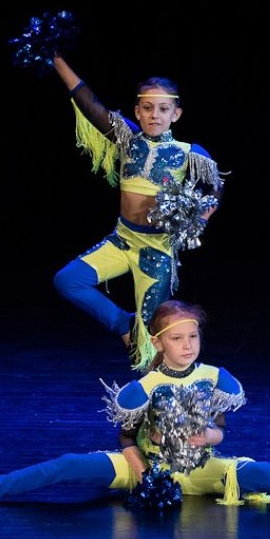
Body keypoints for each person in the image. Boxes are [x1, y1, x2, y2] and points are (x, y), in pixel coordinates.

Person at [0, 300, 270, 509]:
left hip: (200, 467)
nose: (187, 346)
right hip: (147, 466)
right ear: (158, 343)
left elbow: (221, 427)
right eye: (177, 339)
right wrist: (143, 475)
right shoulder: (145, 386)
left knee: (268, 474)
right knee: (68, 464)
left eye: (193, 337)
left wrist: (208, 437)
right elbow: (126, 437)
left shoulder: (213, 376)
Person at [49, 52, 223, 369]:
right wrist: (57, 60)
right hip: (122, 240)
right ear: (137, 111)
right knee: (67, 280)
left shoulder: (189, 152)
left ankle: (153, 395)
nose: (155, 115)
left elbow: (214, 190)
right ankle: (123, 323)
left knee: (148, 347)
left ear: (176, 114)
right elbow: (89, 103)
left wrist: (197, 221)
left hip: (156, 252)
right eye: (147, 108)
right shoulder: (126, 138)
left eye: (163, 109)